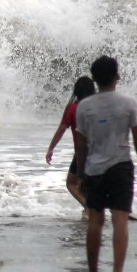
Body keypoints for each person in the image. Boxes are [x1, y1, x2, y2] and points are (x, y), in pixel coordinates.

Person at [74, 55, 137, 272]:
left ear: (94, 78)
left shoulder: (84, 106)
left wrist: (80, 174)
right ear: (117, 76)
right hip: (120, 167)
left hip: (93, 169)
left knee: (95, 221)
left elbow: (81, 145)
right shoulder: (129, 104)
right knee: (120, 219)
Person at [45, 76, 97, 208]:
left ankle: (89, 208)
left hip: (82, 152)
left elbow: (61, 129)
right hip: (100, 150)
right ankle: (93, 209)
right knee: (91, 185)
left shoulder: (73, 108)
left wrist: (51, 148)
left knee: (72, 184)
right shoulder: (99, 106)